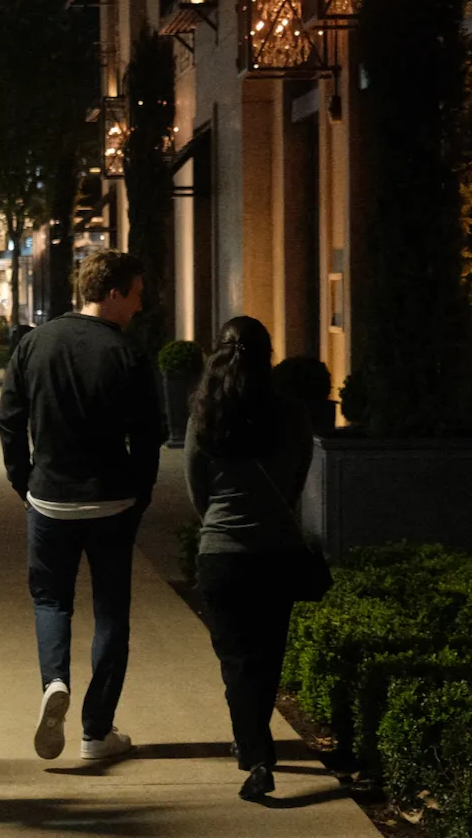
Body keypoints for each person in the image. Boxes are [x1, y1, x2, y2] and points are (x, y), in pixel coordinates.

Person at [0, 249, 162, 764]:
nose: (138, 304)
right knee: (112, 610)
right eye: (135, 293)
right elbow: (152, 434)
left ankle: (54, 682)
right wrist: (140, 493)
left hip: (49, 499)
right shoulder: (128, 353)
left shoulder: (34, 344)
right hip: (112, 499)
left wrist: (24, 481)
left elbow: (10, 418)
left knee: (51, 600)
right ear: (112, 293)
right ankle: (96, 732)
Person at [185, 316, 317, 801]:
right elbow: (297, 480)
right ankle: (254, 744)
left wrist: (219, 522)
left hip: (222, 553)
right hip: (277, 549)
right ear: (268, 355)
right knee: (267, 656)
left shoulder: (205, 412)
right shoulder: (292, 412)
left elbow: (196, 490)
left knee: (236, 661)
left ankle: (257, 755)